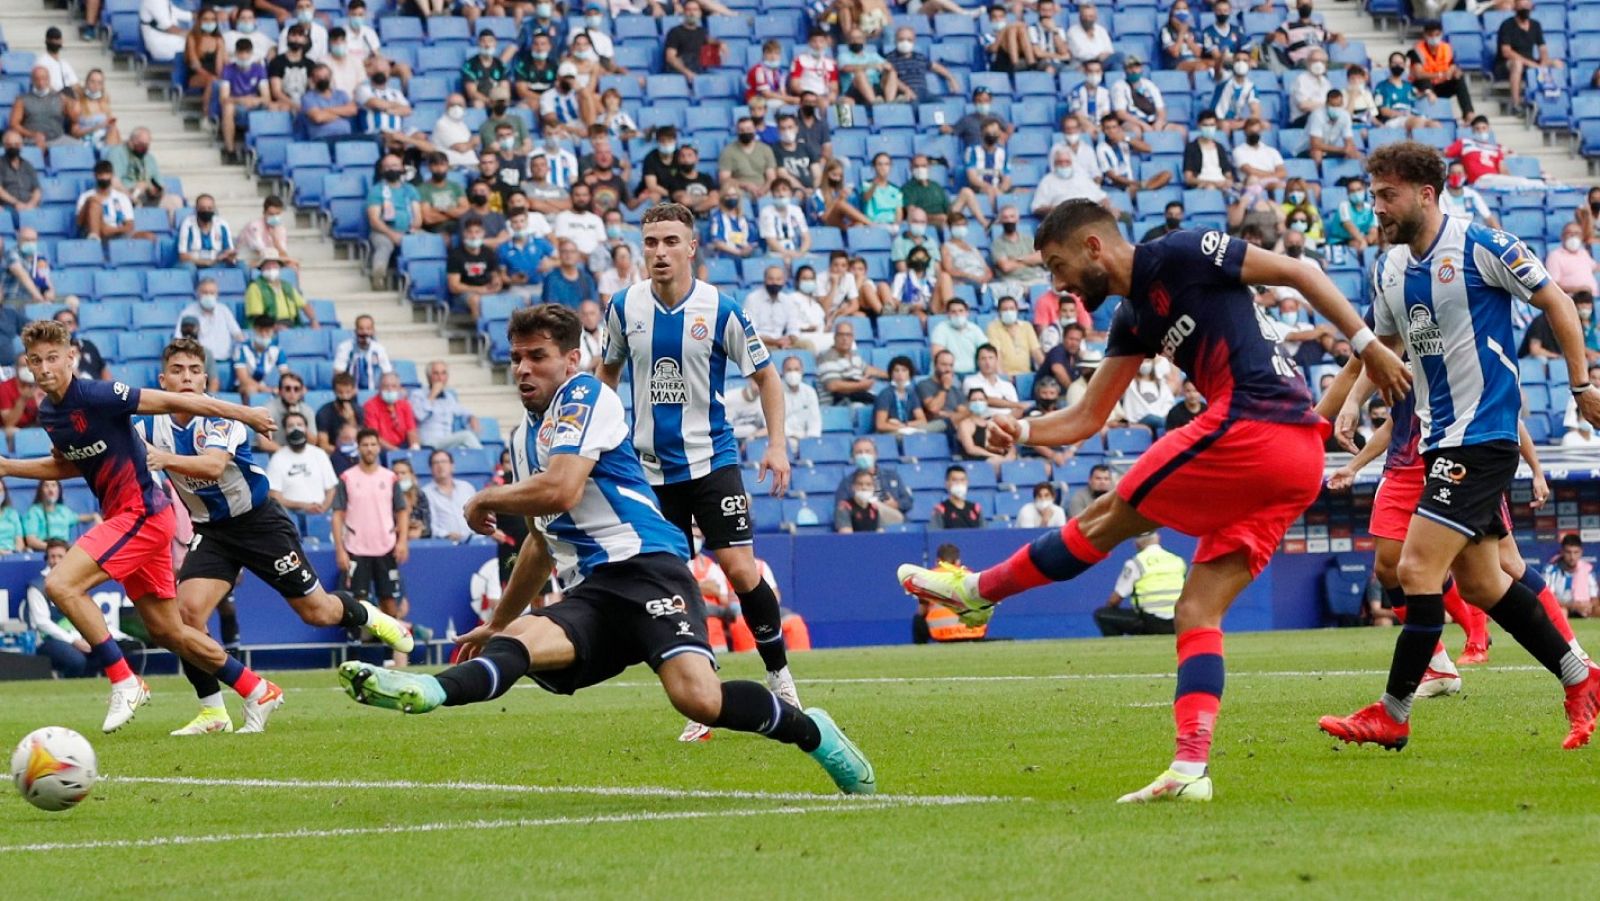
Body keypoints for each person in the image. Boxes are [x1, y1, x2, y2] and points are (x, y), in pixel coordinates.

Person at [897, 198, 1408, 802]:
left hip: (1255, 424)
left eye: (1058, 267)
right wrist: (1027, 430)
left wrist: (1367, 345)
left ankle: (976, 593)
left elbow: (1305, 273)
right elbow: (1088, 416)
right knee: (1196, 612)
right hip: (1293, 459)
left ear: (1093, 247)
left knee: (1109, 515)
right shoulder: (1132, 318)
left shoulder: (1184, 251)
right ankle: (1190, 768)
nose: (1058, 285)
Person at [339, 305, 872, 792]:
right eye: (517, 357)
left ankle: (812, 732)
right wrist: (501, 618)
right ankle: (428, 691)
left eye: (538, 357)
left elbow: (563, 488)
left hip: (647, 570)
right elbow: (541, 541)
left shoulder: (587, 396)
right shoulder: (523, 441)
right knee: (520, 639)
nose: (523, 368)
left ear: (572, 359)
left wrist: (484, 499)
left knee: (699, 700)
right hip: (593, 593)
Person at [1318, 142, 1600, 755]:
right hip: (1435, 440)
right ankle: (1582, 677)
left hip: (1483, 436)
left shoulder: (1482, 245)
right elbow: (1383, 344)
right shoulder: (1390, 269)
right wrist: (1351, 400)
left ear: (1426, 192)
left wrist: (1579, 385)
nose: (1377, 209)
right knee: (1480, 584)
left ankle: (1392, 712)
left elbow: (1556, 300)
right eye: (1372, 197)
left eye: (1387, 196)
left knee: (1414, 569)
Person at [0, 320, 286, 733]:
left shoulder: (100, 394)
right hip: (127, 516)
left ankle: (124, 679)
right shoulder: (50, 412)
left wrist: (247, 414)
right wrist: (9, 467)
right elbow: (67, 464)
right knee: (170, 631)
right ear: (28, 364)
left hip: (143, 512)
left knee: (61, 585)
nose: (45, 367)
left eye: (53, 358)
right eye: (36, 360)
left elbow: (179, 401)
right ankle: (256, 689)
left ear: (70, 359)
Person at [599, 203, 802, 738]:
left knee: (740, 572)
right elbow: (607, 376)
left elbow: (768, 379)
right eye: (651, 242)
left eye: (670, 241)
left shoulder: (721, 308)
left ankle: (780, 674)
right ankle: (702, 700)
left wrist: (776, 445)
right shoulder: (622, 308)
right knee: (673, 582)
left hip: (712, 461)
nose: (659, 252)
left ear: (692, 247)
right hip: (649, 472)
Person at [144, 340, 411, 733]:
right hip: (212, 532)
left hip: (259, 525)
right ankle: (213, 712)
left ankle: (371, 615)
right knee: (185, 617)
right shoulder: (147, 423)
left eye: (194, 370)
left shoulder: (222, 418)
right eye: (178, 370)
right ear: (162, 378)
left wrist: (163, 458)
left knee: (316, 612)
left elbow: (214, 467)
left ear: (205, 378)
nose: (186, 377)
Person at [331, 428, 412, 655]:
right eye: (365, 444)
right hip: (356, 548)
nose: (369, 449)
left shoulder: (390, 477)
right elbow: (337, 515)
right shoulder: (347, 478)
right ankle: (355, 653)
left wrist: (402, 541)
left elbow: (402, 511)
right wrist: (340, 549)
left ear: (379, 447)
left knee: (389, 602)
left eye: (373, 444)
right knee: (357, 602)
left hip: (385, 547)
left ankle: (390, 654)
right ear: (358, 447)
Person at [1095, 532, 1183, 636]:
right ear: (1158, 538)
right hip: (1178, 621)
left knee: (1102, 614)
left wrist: (1110, 608)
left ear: (1136, 544)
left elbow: (1115, 600)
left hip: (1151, 622)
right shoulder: (1177, 561)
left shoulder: (1136, 563)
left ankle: (1117, 647)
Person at [366, 154, 421, 291]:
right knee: (384, 246)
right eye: (387, 167)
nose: (391, 169)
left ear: (402, 168)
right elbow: (374, 220)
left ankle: (418, 283)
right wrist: (392, 235)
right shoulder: (376, 190)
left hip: (408, 231)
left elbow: (418, 217)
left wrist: (413, 229)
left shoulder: (410, 189)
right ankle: (378, 277)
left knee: (424, 242)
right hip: (383, 231)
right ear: (382, 170)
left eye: (395, 166)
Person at [267, 411, 339, 516]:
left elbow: (331, 489)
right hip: (291, 516)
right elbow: (274, 495)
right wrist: (304, 506)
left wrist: (322, 508)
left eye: (299, 425)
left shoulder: (319, 454)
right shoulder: (277, 458)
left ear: (306, 428)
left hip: (320, 514)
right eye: (291, 426)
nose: (296, 429)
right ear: (285, 430)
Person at [1496, 0, 1558, 113]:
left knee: (1557, 63)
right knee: (1517, 64)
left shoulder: (1536, 25)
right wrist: (1531, 64)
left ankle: (1554, 101)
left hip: (1531, 62)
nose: (1525, 9)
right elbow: (1506, 52)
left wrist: (1543, 63)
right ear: (1516, 7)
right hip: (1507, 64)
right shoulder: (1507, 25)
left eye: (1527, 6)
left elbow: (1543, 48)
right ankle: (1516, 103)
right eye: (1522, 6)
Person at [412, 360, 481, 451]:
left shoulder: (449, 396)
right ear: (429, 377)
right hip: (429, 442)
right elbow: (419, 416)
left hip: (448, 443)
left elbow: (462, 410)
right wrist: (432, 396)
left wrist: (472, 417)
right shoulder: (417, 395)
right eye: (436, 374)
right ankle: (488, 462)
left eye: (443, 373)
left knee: (465, 448)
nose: (440, 378)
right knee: (467, 436)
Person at [816, 320, 885, 405]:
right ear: (835, 337)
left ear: (852, 338)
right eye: (841, 335)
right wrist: (862, 386)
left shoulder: (854, 355)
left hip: (858, 398)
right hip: (838, 405)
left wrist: (894, 374)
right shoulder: (827, 357)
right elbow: (833, 385)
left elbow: (869, 370)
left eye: (848, 335)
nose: (845, 338)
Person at [10, 67, 77, 151]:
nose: (41, 82)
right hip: (32, 140)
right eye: (37, 79)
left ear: (49, 79)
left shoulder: (60, 98)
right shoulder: (22, 100)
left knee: (81, 148)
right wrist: (33, 135)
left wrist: (68, 102)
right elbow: (14, 124)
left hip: (58, 138)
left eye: (44, 78)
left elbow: (75, 118)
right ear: (32, 80)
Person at [421, 449, 474, 542]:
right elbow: (429, 525)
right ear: (430, 469)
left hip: (474, 540)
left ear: (452, 466)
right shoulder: (425, 493)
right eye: (435, 463)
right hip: (445, 543)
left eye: (444, 462)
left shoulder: (466, 487)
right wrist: (446, 535)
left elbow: (479, 513)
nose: (440, 466)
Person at [233, 314, 288, 404]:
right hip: (242, 387)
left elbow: (285, 374)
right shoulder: (241, 348)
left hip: (263, 385)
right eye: (260, 331)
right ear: (255, 330)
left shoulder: (277, 350)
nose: (264, 335)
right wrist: (266, 389)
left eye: (267, 331)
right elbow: (243, 378)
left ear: (272, 332)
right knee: (251, 389)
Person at [176, 194, 238, 270]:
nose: (206, 211)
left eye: (209, 208)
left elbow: (229, 251)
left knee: (241, 265)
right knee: (189, 267)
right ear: (196, 209)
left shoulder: (222, 225)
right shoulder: (187, 224)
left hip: (217, 262)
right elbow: (183, 256)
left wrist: (227, 256)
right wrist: (206, 262)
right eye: (202, 208)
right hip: (194, 263)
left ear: (214, 209)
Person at [332, 315, 393, 391]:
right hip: (349, 392)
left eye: (368, 329)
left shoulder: (379, 349)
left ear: (373, 331)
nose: (365, 332)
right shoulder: (345, 347)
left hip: (374, 392)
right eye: (361, 329)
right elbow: (338, 373)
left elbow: (387, 373)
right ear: (355, 331)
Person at [362, 371, 420, 451]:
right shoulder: (370, 406)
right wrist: (395, 451)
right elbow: (374, 436)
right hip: (382, 448)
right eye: (386, 386)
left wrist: (414, 446)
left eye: (394, 386)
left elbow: (411, 430)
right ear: (379, 388)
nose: (390, 390)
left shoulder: (405, 405)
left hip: (403, 445)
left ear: (399, 388)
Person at [930, 297, 986, 376]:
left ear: (967, 313)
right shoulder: (940, 329)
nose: (958, 314)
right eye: (953, 312)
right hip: (949, 374)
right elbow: (937, 355)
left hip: (973, 374)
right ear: (948, 314)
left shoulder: (975, 329)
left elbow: (986, 350)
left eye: (961, 311)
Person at [1544, 535, 1596, 619]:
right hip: (1560, 608)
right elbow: (1547, 599)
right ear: (1562, 552)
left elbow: (1595, 598)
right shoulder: (1550, 570)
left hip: (1582, 610)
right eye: (1568, 552)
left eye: (1576, 552)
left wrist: (1589, 605)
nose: (1572, 557)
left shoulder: (1587, 570)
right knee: (1562, 611)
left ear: (1581, 552)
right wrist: (1572, 606)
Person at [238, 195, 293, 268]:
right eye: (271, 214)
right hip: (248, 261)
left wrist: (275, 239)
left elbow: (283, 254)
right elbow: (262, 253)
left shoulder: (280, 228)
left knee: (292, 267)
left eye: (277, 214)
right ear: (264, 213)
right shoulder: (254, 227)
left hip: (269, 262)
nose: (275, 217)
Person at [1439, 161, 1498, 228]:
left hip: (1468, 231)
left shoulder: (1471, 194)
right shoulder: (1441, 195)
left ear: (1465, 176)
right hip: (1449, 232)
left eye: (1459, 173)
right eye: (1453, 173)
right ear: (1447, 176)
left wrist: (1500, 234)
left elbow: (1488, 217)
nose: (1456, 176)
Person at [1546, 224, 1599, 298]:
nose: (1573, 236)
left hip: (1593, 297)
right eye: (1569, 233)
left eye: (1577, 233)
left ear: (1581, 237)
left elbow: (1595, 267)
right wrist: (1577, 290)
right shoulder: (1555, 256)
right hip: (1574, 300)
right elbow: (1553, 285)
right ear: (1562, 237)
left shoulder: (1583, 253)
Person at [316, 372, 363, 450]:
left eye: (348, 392)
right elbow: (323, 444)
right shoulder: (324, 412)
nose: (344, 396)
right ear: (334, 392)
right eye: (340, 393)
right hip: (333, 453)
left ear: (353, 391)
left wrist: (351, 420)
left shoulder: (359, 410)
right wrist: (342, 453)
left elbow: (361, 440)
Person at [0, 129, 42, 214]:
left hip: (29, 206)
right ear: (4, 146)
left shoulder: (28, 165)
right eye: (9, 145)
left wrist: (31, 204)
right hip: (8, 207)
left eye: (16, 144)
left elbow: (37, 190)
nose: (13, 147)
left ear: (21, 146)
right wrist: (16, 203)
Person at [931, 465, 983, 529]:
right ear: (946, 484)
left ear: (967, 483)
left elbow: (984, 535)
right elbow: (935, 535)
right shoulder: (940, 510)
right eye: (954, 480)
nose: (959, 483)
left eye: (962, 480)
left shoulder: (976, 509)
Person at [835, 469, 884, 533]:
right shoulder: (844, 507)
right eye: (860, 484)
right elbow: (846, 536)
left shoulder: (874, 508)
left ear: (873, 488)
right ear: (853, 487)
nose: (864, 488)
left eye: (868, 484)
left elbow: (880, 534)